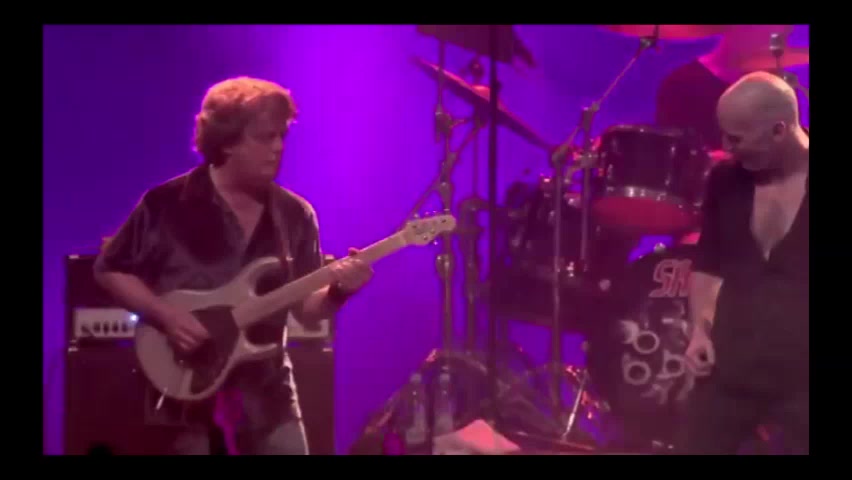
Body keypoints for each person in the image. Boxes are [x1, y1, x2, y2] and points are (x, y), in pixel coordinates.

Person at [93, 76, 374, 455]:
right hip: (183, 393)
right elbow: (109, 269)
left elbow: (307, 312)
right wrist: (166, 317)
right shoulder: (165, 204)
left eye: (281, 136)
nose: (278, 148)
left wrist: (340, 290)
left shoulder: (295, 215)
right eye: (264, 137)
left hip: (267, 397)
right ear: (226, 142)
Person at [678, 71, 809, 455]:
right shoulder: (725, 180)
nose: (725, 147)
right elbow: (708, 262)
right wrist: (699, 331)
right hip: (732, 362)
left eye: (736, 138)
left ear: (779, 130)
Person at [655, 25, 796, 150]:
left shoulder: (777, 89)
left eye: (780, 38)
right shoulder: (681, 84)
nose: (771, 47)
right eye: (766, 35)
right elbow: (674, 155)